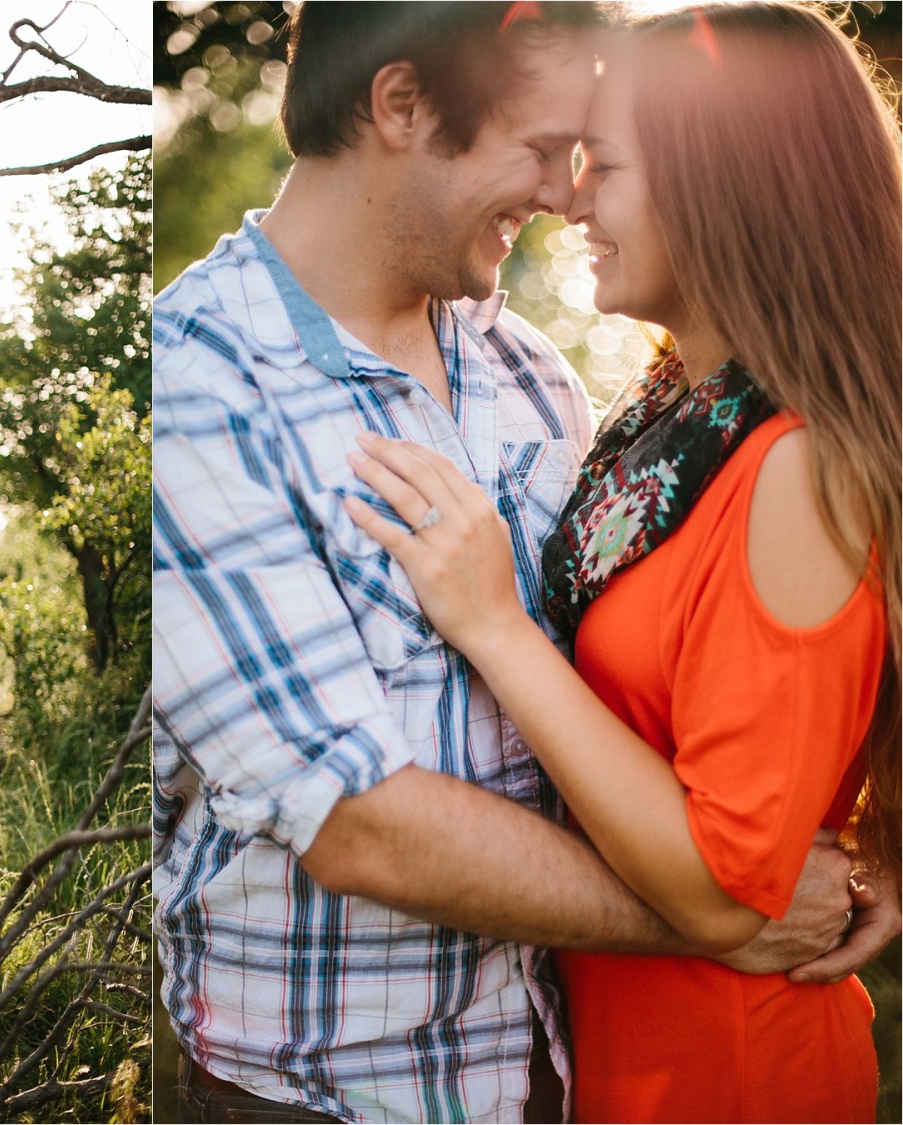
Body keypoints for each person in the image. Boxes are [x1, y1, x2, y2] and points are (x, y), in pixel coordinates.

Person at [152, 3, 895, 1122]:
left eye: (594, 157)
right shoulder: (197, 389)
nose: (562, 194)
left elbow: (738, 667)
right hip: (342, 1094)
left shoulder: (529, 370)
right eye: (546, 149)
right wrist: (727, 909)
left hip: (563, 1066)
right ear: (401, 105)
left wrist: (865, 839)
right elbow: (359, 820)